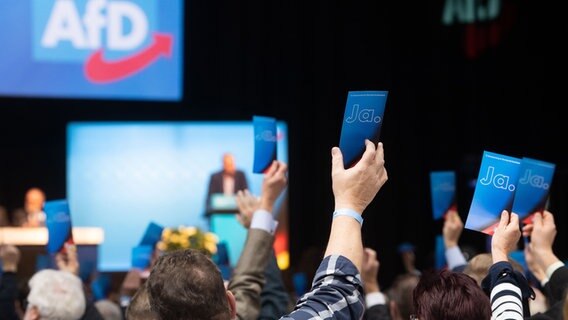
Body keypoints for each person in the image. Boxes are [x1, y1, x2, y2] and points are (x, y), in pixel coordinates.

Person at [147, 160, 288, 320]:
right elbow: (247, 282)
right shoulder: (215, 177)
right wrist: (266, 206)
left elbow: (245, 284)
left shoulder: (240, 175)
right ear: (231, 303)